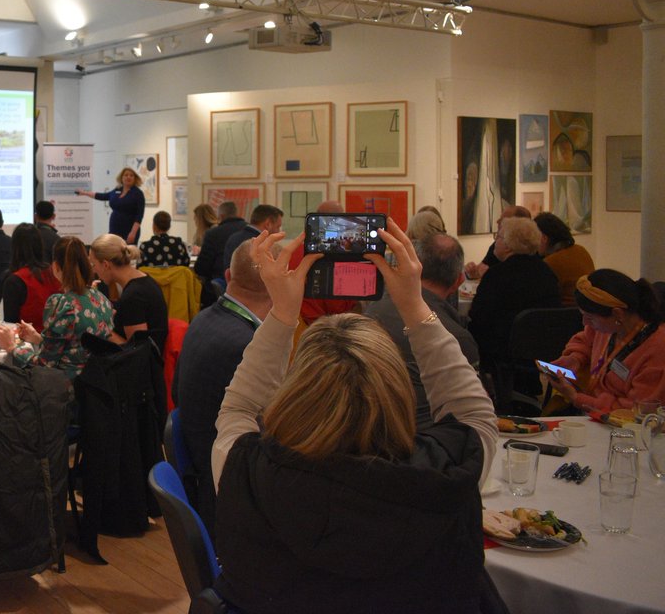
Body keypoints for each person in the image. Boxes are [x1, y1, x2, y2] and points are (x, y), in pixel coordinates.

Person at [212, 224, 497, 613]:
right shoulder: (450, 472)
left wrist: (282, 313)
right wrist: (414, 305)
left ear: (297, 393)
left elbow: (239, 408)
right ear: (398, 393)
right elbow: (474, 412)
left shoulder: (247, 469)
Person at [172, 241, 272, 537]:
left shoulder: (204, 319)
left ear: (229, 275)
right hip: (232, 495)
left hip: (205, 471)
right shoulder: (247, 345)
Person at [365, 233, 481, 428]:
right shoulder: (458, 339)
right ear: (458, 281)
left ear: (412, 268)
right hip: (427, 441)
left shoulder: (370, 314)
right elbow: (471, 416)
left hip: (367, 435)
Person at [545, 269, 665, 413]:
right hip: (592, 411)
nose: (585, 323)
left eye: (590, 317)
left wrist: (576, 397)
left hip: (622, 426)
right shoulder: (608, 327)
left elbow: (636, 411)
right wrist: (575, 358)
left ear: (617, 314)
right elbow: (584, 341)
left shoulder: (657, 350)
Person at [468, 216, 560, 387]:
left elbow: (478, 318)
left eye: (499, 236)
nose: (495, 241)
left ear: (509, 245)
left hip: (502, 352)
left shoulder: (496, 276)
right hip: (540, 351)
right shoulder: (547, 273)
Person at [9, 237, 114, 380]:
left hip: (67, 389)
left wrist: (14, 348)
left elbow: (44, 364)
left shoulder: (63, 304)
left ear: (56, 266)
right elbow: (75, 347)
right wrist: (39, 339)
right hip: (99, 383)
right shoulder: (101, 299)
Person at [90, 234, 168, 349]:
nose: (93, 270)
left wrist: (100, 325)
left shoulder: (133, 296)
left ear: (106, 265)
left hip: (145, 363)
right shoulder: (144, 281)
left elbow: (135, 350)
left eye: (94, 264)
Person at [0, 223, 61, 331]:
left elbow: (11, 325)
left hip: (28, 343)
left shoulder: (14, 281)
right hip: (55, 340)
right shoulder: (55, 273)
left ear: (15, 248)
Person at [535, 211, 595, 306]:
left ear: (544, 238)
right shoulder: (581, 250)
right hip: (587, 309)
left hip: (564, 313)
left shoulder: (550, 262)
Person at [75, 167, 145, 242]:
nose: (128, 177)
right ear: (121, 178)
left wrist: (133, 233)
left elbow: (139, 216)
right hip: (114, 229)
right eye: (126, 175)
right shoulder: (117, 190)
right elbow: (102, 196)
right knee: (113, 251)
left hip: (129, 230)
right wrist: (84, 193)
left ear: (135, 178)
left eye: (131, 175)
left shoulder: (138, 194)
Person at [464, 205, 531, 281]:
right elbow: (482, 268)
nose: (497, 221)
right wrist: (472, 273)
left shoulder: (528, 251)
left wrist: (490, 275)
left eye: (503, 220)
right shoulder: (497, 246)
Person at [193, 201, 244, 282]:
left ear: (221, 216)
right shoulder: (248, 230)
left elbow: (201, 268)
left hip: (219, 283)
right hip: (246, 282)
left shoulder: (213, 234)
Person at [222, 204, 283, 271]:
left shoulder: (233, 238)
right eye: (278, 227)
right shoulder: (264, 246)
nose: (279, 231)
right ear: (268, 224)